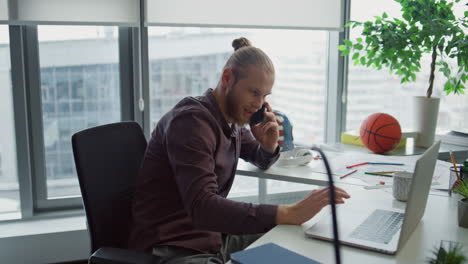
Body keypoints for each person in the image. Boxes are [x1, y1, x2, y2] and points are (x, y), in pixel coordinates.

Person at [128, 37, 350, 263]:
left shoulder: (231, 119)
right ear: (227, 78)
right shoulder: (191, 123)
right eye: (254, 92)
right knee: (284, 226)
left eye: (264, 96)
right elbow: (203, 207)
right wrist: (286, 212)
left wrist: (268, 146)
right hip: (172, 247)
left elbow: (258, 157)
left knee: (294, 237)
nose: (259, 104)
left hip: (211, 238)